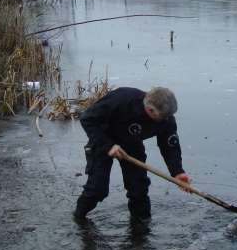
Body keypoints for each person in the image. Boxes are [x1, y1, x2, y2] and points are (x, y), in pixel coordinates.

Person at [74, 86, 190, 221]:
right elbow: (87, 119)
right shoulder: (123, 98)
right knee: (97, 190)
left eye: (168, 116)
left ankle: (141, 229)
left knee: (138, 189)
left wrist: (177, 171)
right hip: (102, 140)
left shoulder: (166, 118)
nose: (166, 120)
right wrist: (109, 146)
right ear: (150, 109)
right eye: (162, 116)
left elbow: (169, 146)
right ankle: (78, 219)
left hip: (132, 144)